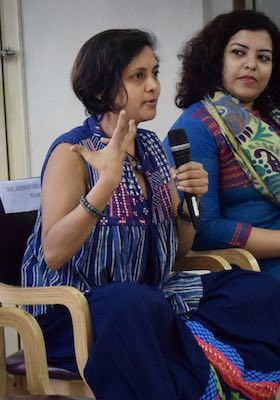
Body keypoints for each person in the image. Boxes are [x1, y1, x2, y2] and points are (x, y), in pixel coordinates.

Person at [21, 28, 280, 400]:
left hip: (150, 298)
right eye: (138, 77)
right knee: (134, 303)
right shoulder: (72, 152)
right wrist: (105, 183)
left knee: (253, 289)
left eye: (155, 73)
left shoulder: (152, 149)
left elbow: (176, 255)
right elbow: (54, 252)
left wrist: (191, 203)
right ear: (100, 90)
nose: (154, 86)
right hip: (75, 312)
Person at [163, 9, 280, 284]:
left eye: (263, 57)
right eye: (239, 53)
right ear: (216, 59)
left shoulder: (273, 120)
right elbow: (205, 228)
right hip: (251, 270)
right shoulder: (197, 126)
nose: (252, 64)